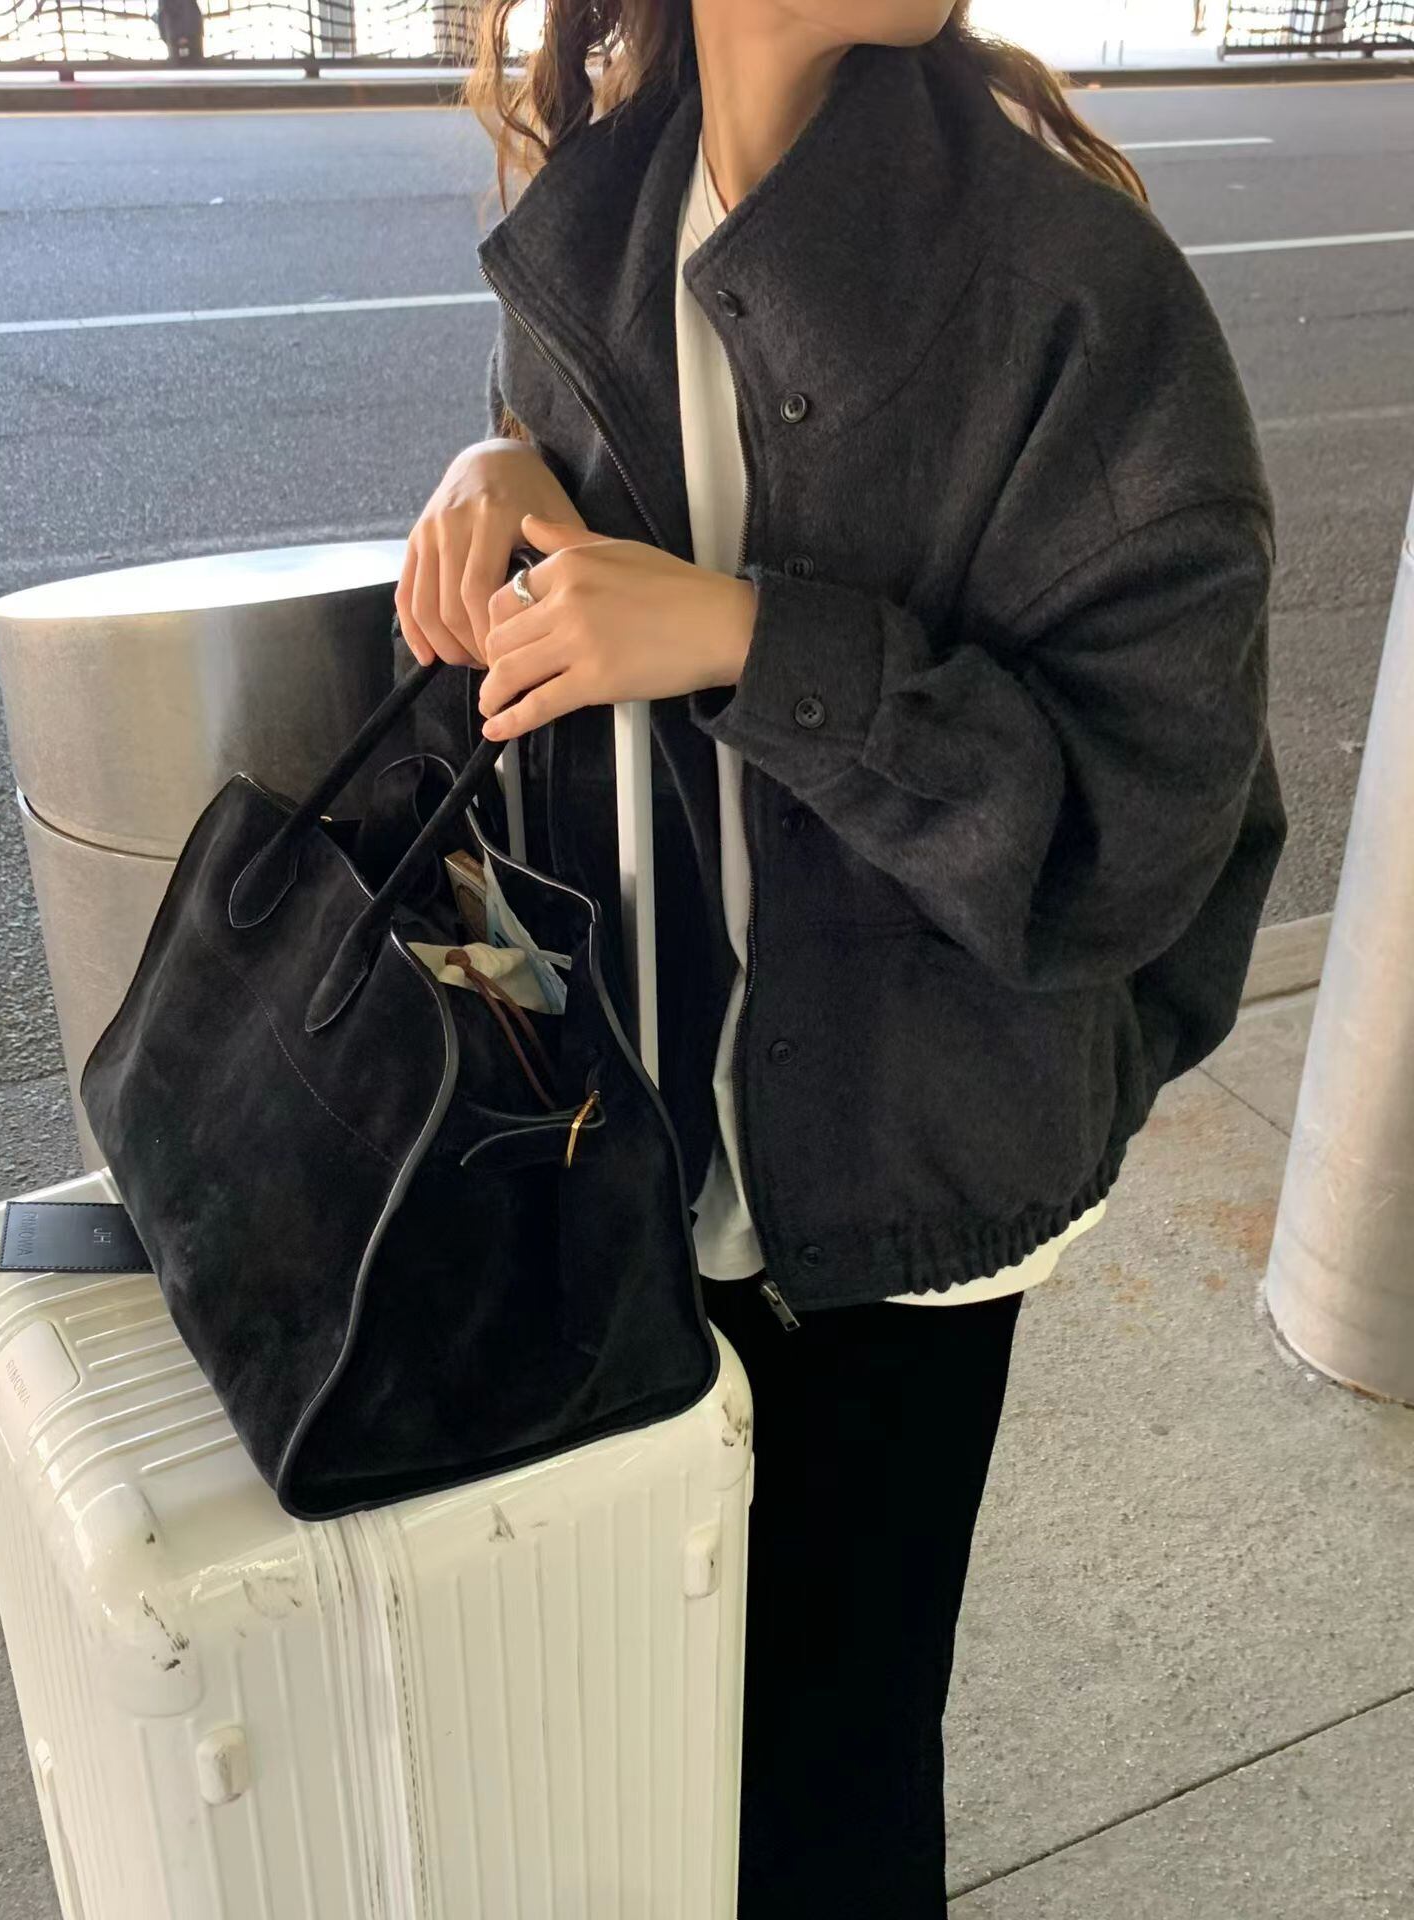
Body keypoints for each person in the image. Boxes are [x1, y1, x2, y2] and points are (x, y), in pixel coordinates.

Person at [396, 3, 1287, 1912]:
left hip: (912, 1181)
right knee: (651, 1733)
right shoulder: (597, 219)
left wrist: (748, 641)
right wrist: (502, 473)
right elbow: (602, 568)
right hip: (638, 1144)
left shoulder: (1068, 289)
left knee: (837, 1768)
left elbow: (1145, 826)